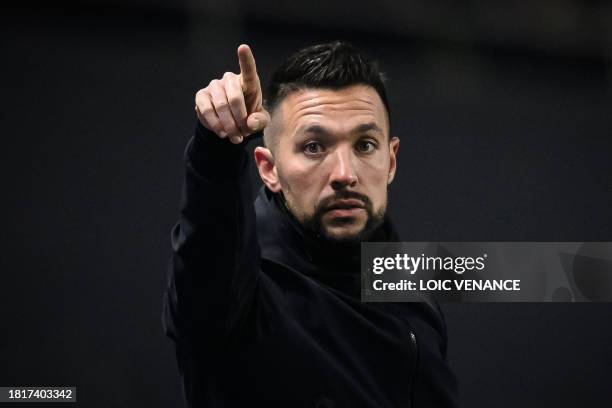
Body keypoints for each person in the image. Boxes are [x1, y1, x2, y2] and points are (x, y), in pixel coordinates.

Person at [162, 40, 458, 407]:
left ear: (391, 161)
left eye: (365, 145)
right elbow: (208, 264)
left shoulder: (412, 292)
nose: (345, 174)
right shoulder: (239, 293)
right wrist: (217, 147)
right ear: (268, 169)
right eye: (314, 147)